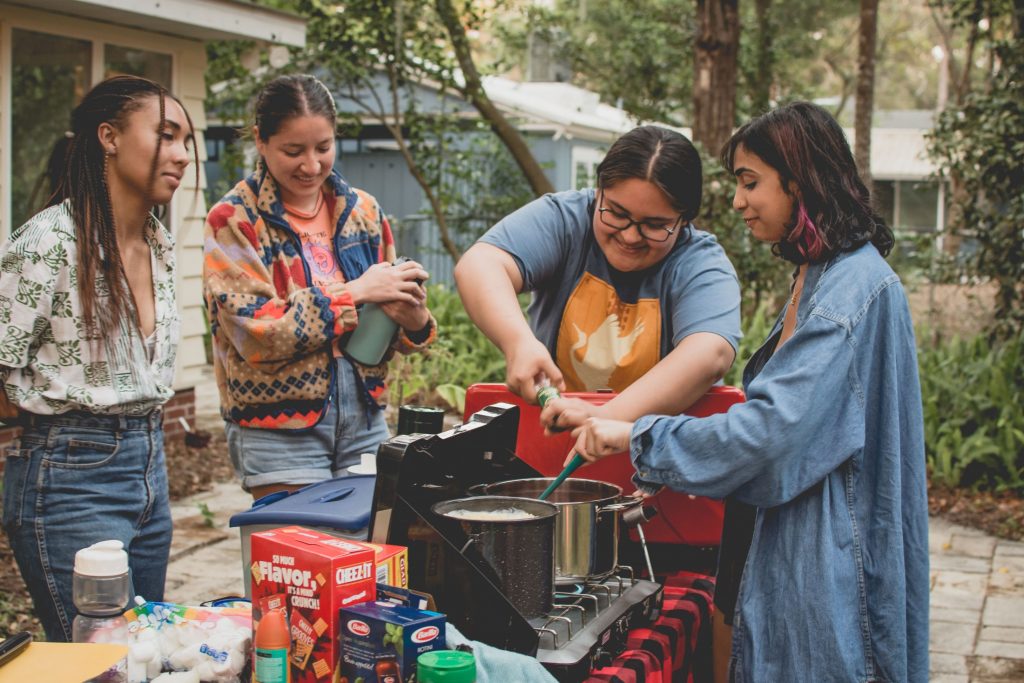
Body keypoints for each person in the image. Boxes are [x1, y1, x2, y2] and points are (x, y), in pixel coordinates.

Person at [570, 102, 928, 682]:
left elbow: (769, 438)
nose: (737, 201)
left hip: (821, 562)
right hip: (763, 547)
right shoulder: (819, 274)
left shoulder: (848, 296)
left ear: (801, 178)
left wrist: (639, 433)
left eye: (750, 182)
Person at [0, 75, 196, 642]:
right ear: (108, 136)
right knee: (100, 664)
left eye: (187, 140)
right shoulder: (49, 243)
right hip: (70, 479)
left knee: (142, 656)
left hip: (150, 468)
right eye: (166, 134)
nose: (182, 154)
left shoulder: (158, 245)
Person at [204, 74, 436, 500]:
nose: (311, 165)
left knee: (362, 561)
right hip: (278, 429)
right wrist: (356, 292)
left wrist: (416, 321)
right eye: (293, 151)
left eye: (323, 148)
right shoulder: (234, 220)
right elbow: (256, 332)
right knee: (296, 562)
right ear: (260, 140)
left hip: (365, 417)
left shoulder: (365, 211)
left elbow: (395, 324)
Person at [455, 125, 741, 430]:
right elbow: (480, 264)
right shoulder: (565, 220)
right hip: (555, 441)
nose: (630, 236)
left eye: (655, 225)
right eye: (616, 213)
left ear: (684, 220)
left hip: (658, 455)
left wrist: (604, 419)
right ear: (598, 191)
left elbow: (710, 353)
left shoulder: (700, 263)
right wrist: (518, 343)